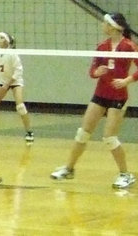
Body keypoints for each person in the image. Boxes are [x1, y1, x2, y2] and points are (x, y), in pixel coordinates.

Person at [50, 13, 138, 189]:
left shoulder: (128, 46)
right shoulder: (102, 46)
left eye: (105, 23)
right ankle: (69, 169)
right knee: (83, 133)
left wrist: (127, 80)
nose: (102, 25)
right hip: (100, 94)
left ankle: (125, 174)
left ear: (114, 27)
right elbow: (92, 71)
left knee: (109, 137)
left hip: (118, 96)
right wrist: (96, 73)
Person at [0, 32, 34, 142]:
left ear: (7, 41)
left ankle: (29, 132)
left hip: (15, 81)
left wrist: (8, 84)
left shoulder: (13, 54)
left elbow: (18, 71)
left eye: (1, 38)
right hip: (2, 81)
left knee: (20, 106)